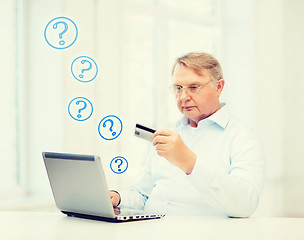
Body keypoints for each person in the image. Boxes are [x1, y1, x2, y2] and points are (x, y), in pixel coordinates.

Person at [110, 52, 265, 217]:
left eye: (193, 87)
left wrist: (190, 163)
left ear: (219, 87)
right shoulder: (169, 134)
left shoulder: (242, 138)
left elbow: (245, 205)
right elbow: (143, 195)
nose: (183, 97)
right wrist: (118, 198)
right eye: (178, 88)